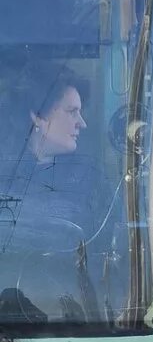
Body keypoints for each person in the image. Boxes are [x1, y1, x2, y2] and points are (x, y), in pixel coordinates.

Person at [0, 63, 91, 230]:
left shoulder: (91, 180)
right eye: (72, 111)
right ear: (37, 116)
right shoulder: (4, 174)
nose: (82, 123)